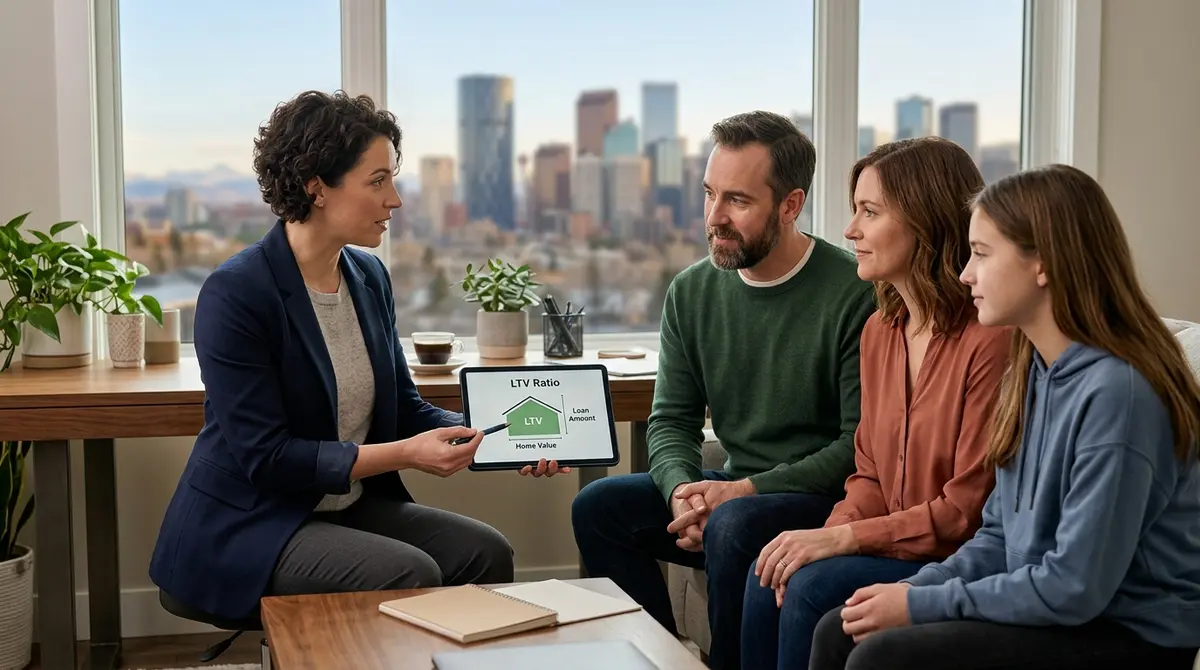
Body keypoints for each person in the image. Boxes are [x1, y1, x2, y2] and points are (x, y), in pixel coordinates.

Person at [810, 164, 1200, 670]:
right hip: (1050, 607)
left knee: (881, 657)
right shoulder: (1033, 370)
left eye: (981, 254)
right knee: (841, 627)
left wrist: (921, 605)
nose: (965, 273)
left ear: (1043, 265)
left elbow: (1074, 587)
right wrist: (909, 590)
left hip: (1127, 633)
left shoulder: (1118, 395)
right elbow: (997, 536)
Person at [150, 90, 514, 622]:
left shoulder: (368, 278)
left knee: (486, 552)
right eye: (377, 180)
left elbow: (405, 410)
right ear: (316, 187)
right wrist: (407, 454)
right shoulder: (237, 292)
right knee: (412, 573)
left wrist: (506, 436)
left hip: (347, 507)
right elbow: (268, 458)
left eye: (392, 178)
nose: (395, 199)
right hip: (255, 522)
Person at [569, 111, 877, 670]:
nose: (715, 217)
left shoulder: (853, 293)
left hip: (820, 498)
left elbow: (857, 445)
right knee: (599, 506)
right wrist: (683, 492)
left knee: (733, 524)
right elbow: (671, 421)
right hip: (733, 492)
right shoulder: (691, 291)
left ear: (790, 205)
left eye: (737, 200)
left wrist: (743, 493)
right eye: (710, 194)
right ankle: (661, 658)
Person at [739, 137, 1011, 669]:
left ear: (924, 221)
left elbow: (965, 513)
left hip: (951, 563)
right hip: (892, 544)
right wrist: (821, 537)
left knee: (812, 586)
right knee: (772, 568)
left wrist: (844, 539)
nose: (850, 231)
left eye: (870, 212)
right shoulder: (879, 332)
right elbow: (869, 475)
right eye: (853, 210)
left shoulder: (990, 340)